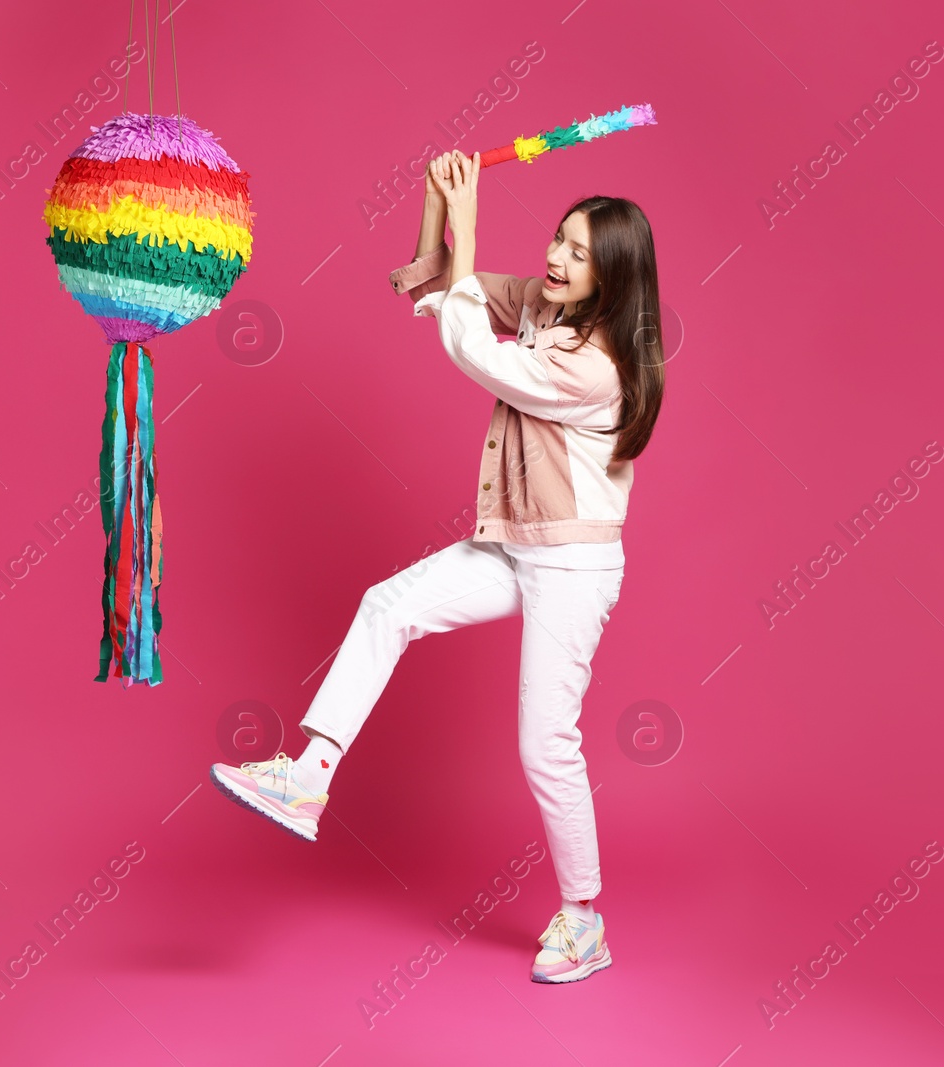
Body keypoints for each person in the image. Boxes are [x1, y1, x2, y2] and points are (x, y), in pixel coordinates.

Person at [211, 149, 665, 984]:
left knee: (544, 746)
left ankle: (584, 919)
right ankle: (307, 779)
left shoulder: (594, 365)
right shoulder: (546, 306)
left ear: (613, 277)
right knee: (389, 603)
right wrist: (438, 208)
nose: (555, 259)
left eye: (577, 252)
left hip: (572, 565)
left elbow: (472, 350)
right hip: (516, 541)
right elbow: (439, 289)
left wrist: (471, 216)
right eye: (558, 240)